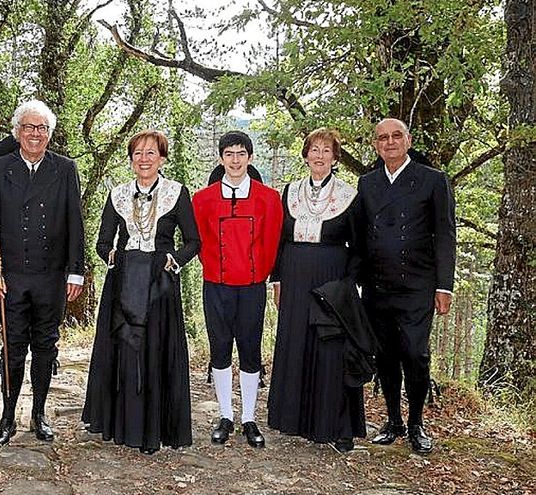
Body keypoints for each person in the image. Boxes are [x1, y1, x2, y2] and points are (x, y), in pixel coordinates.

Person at [82, 129, 201, 454]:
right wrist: (119, 260)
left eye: (151, 153)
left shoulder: (177, 193)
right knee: (125, 352)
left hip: (159, 286)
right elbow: (103, 242)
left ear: (162, 158)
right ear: (131, 159)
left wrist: (172, 261)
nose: (144, 159)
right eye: (138, 153)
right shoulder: (118, 194)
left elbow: (193, 241)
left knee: (154, 350)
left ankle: (153, 429)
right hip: (123, 285)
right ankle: (122, 424)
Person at [0, 100, 86, 447]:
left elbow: (75, 222)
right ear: (17, 132)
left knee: (45, 346)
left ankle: (39, 414)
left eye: (41, 128)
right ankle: (7, 416)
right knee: (13, 349)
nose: (35, 134)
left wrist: (76, 271)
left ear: (49, 134)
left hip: (51, 275)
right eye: (28, 127)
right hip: (10, 276)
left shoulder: (65, 168)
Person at [267, 128, 377, 453]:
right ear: (305, 155)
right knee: (295, 343)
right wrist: (277, 279)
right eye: (314, 149)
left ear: (335, 157)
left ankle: (336, 424)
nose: (319, 155)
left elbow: (360, 246)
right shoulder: (290, 192)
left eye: (326, 150)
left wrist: (348, 285)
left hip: (332, 279)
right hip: (295, 274)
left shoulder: (349, 196)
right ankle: (294, 419)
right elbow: (280, 239)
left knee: (331, 348)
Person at [357, 118, 456, 454]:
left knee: (415, 353)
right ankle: (394, 420)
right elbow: (359, 236)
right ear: (375, 145)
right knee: (385, 355)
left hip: (417, 283)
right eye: (382, 138)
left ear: (408, 140)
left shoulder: (432, 180)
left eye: (396, 136)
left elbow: (445, 235)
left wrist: (445, 285)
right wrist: (355, 281)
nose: (389, 142)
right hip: (377, 284)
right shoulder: (367, 183)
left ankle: (416, 423)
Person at [192, 130, 282, 448]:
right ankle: (226, 415)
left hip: (252, 286)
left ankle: (249, 418)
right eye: (229, 153)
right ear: (221, 158)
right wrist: (216, 268)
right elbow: (199, 241)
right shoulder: (201, 199)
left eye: (241, 153)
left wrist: (258, 273)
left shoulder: (269, 198)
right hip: (216, 284)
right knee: (219, 349)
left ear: (250, 157)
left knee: (250, 351)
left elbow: (272, 243)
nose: (235, 159)